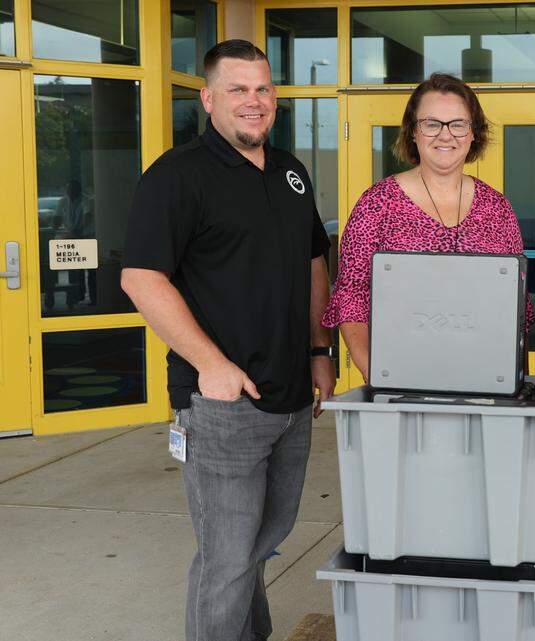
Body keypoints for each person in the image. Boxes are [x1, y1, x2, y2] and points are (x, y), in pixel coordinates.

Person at [120, 40, 334, 641]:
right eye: (238, 89)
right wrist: (211, 365)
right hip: (222, 405)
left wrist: (320, 351)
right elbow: (140, 277)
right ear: (208, 99)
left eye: (263, 89)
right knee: (228, 557)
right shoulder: (177, 175)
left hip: (291, 399)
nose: (254, 101)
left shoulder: (291, 170)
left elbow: (314, 260)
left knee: (262, 545)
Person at [322, 72, 531, 379]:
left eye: (458, 124)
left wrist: (516, 382)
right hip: (400, 381)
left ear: (473, 133)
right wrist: (375, 372)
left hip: (486, 379)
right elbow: (352, 296)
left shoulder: (497, 208)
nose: (445, 135)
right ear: (413, 133)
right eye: (432, 124)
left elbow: (518, 307)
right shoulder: (377, 204)